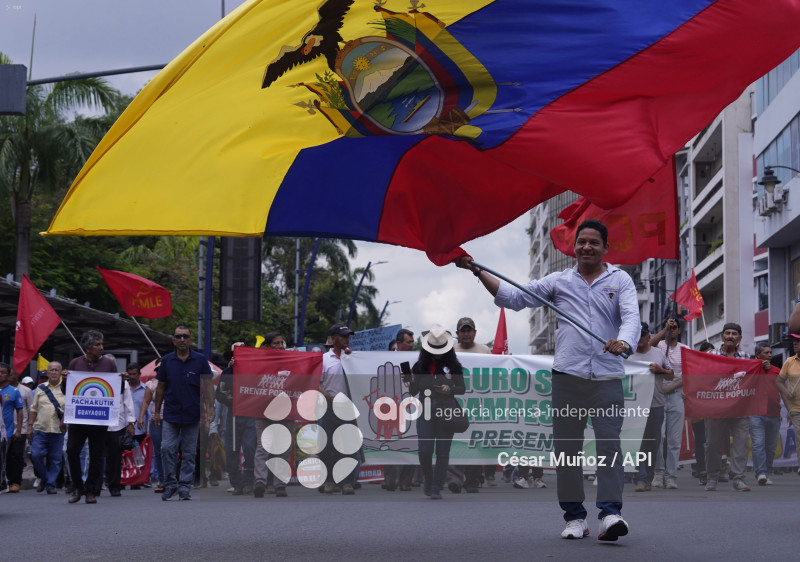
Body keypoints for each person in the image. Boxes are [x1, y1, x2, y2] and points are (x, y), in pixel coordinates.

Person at [457, 218, 639, 541]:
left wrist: (623, 342)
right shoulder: (558, 281)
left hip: (608, 379)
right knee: (567, 449)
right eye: (581, 241)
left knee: (609, 446)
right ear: (574, 247)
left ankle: (610, 514)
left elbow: (631, 319)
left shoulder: (620, 280)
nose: (586, 247)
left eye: (594, 242)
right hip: (567, 378)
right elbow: (513, 298)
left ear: (605, 248)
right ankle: (574, 518)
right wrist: (475, 270)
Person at [153, 326, 214, 501]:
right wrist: (157, 412)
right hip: (171, 413)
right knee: (166, 449)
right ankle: (171, 484)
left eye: (185, 336)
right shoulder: (166, 360)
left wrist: (211, 407)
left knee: (188, 453)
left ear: (190, 340)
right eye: (178, 336)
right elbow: (161, 387)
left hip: (192, 413)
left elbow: (208, 385)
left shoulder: (200, 360)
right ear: (173, 340)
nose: (181, 339)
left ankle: (185, 486)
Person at [408, 325, 466, 500]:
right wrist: (410, 380)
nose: (437, 352)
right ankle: (429, 478)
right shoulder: (419, 365)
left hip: (446, 409)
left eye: (441, 348)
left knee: (442, 452)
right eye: (434, 348)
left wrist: (449, 389)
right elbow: (412, 391)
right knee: (425, 450)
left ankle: (436, 487)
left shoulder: (454, 365)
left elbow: (462, 389)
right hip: (425, 409)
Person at [66, 329, 119, 504]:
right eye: (97, 345)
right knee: (72, 451)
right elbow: (66, 392)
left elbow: (116, 391)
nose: (101, 348)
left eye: (101, 344)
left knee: (97, 455)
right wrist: (65, 379)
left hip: (99, 418)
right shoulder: (75, 363)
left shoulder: (109, 364)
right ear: (87, 347)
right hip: (78, 418)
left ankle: (91, 490)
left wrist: (122, 380)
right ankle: (77, 486)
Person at [706, 322, 752, 492]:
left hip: (740, 408)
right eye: (727, 333)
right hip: (716, 407)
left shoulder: (748, 358)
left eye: (734, 333)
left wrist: (764, 368)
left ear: (739, 338)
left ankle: (738, 479)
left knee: (740, 444)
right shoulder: (711, 356)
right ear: (722, 337)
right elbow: (702, 377)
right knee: (713, 444)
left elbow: (754, 379)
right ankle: (712, 478)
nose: (731, 336)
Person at [454, 317, 496, 492]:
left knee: (475, 443)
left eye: (468, 330)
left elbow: (493, 373)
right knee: (456, 442)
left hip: (477, 405)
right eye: (462, 331)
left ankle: (472, 481)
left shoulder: (484, 350)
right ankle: (455, 479)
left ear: (475, 332)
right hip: (455, 404)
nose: (466, 333)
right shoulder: (450, 351)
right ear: (457, 334)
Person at [631, 322, 672, 492]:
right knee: (637, 442)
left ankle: (647, 476)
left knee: (653, 443)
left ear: (649, 337)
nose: (640, 338)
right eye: (637, 334)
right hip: (633, 406)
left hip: (655, 404)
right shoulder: (626, 356)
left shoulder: (659, 354)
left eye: (643, 334)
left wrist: (660, 370)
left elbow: (671, 375)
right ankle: (640, 477)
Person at [319, 323, 358, 495]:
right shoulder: (323, 359)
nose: (346, 339)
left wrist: (351, 358)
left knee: (347, 446)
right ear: (333, 338)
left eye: (348, 336)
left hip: (347, 408)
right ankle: (329, 480)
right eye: (343, 336)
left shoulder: (352, 357)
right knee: (326, 445)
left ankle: (346, 482)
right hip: (328, 407)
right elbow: (316, 383)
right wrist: (327, 395)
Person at [253, 332, 292, 498]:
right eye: (276, 343)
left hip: (286, 410)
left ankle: (280, 484)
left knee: (283, 448)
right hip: (263, 410)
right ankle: (260, 482)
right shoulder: (259, 362)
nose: (281, 346)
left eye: (282, 342)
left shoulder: (291, 361)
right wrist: (234, 364)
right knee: (263, 447)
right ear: (268, 346)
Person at [649, 316, 686, 490]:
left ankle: (671, 476)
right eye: (670, 327)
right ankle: (658, 473)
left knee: (674, 440)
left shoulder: (685, 349)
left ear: (679, 330)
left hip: (676, 395)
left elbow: (687, 375)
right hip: (657, 395)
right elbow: (648, 345)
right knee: (659, 436)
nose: (672, 330)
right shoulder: (659, 347)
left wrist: (670, 388)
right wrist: (664, 329)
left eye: (675, 327)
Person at [383, 328, 417, 493]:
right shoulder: (386, 359)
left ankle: (405, 482)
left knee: (411, 442)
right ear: (398, 343)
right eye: (408, 342)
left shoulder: (415, 359)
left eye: (412, 342)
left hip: (410, 405)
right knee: (390, 443)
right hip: (389, 407)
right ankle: (390, 479)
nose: (412, 345)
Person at [27, 361, 66, 494]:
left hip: (58, 430)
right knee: (36, 455)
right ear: (47, 373)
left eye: (57, 370)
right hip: (41, 429)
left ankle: (50, 484)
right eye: (52, 370)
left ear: (61, 372)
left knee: (56, 459)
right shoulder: (40, 388)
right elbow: (34, 409)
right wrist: (30, 426)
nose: (54, 372)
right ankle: (45, 478)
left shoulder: (66, 388)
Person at [749, 343, 782, 486]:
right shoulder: (751, 369)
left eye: (770, 352)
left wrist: (790, 409)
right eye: (766, 353)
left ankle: (766, 473)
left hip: (774, 414)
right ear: (758, 355)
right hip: (756, 413)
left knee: (771, 447)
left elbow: (784, 391)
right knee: (758, 444)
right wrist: (759, 367)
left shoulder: (777, 371)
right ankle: (761, 473)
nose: (770, 355)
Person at [104, 374, 135, 497]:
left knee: (115, 457)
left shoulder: (123, 383)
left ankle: (114, 485)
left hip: (118, 424)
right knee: (96, 456)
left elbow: (129, 403)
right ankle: (95, 485)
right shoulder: (98, 380)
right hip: (98, 423)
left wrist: (131, 423)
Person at [138, 358, 165, 493]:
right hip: (156, 420)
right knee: (159, 451)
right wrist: (141, 417)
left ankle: (175, 478)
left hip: (173, 419)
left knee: (172, 449)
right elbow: (146, 402)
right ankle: (162, 480)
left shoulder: (173, 383)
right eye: (159, 370)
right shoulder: (151, 384)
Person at [776, 333, 800, 473]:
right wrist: (786, 393)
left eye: (798, 341)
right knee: (799, 435)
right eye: (794, 341)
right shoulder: (789, 361)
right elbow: (779, 382)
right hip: (796, 408)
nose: (794, 343)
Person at [0, 363, 24, 492]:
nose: (0, 374)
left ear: (8, 375)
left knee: (6, 458)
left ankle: (6, 481)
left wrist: (18, 430)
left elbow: (20, 411)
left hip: (6, 432)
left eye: (3, 372)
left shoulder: (14, 392)